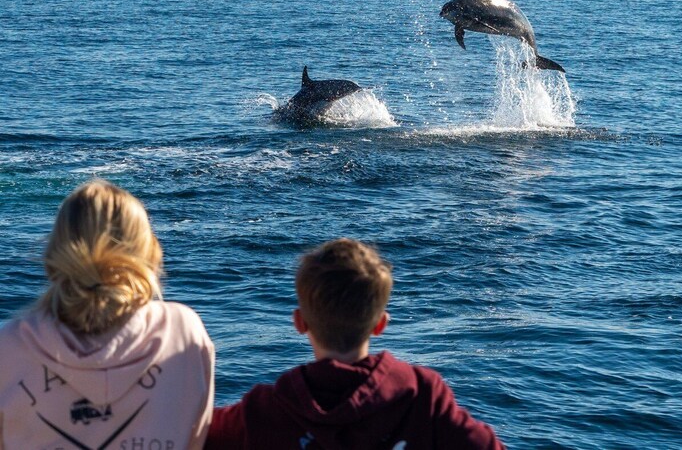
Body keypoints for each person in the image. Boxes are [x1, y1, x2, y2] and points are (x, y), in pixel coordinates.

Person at [206, 238, 504, 449]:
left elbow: (185, 436)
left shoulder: (262, 412)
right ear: (380, 324)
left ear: (299, 323)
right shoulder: (423, 396)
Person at [0, 179, 214, 450]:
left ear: (56, 249)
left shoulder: (8, 347)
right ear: (147, 250)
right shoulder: (184, 332)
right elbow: (197, 435)